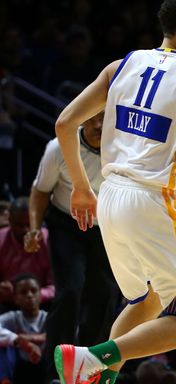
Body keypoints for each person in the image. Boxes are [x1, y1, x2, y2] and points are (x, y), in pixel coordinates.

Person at [52, 0, 176, 384]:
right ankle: (92, 357)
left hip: (109, 194)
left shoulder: (120, 66)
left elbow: (64, 124)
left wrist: (80, 188)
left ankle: (100, 377)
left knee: (148, 300)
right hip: (156, 200)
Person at [25, 111, 119, 382]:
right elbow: (40, 191)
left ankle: (88, 368)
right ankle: (54, 372)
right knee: (69, 292)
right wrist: (34, 228)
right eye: (92, 118)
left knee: (105, 295)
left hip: (107, 227)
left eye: (104, 117)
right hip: (67, 223)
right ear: (80, 119)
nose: (99, 124)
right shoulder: (59, 147)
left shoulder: (124, 148)